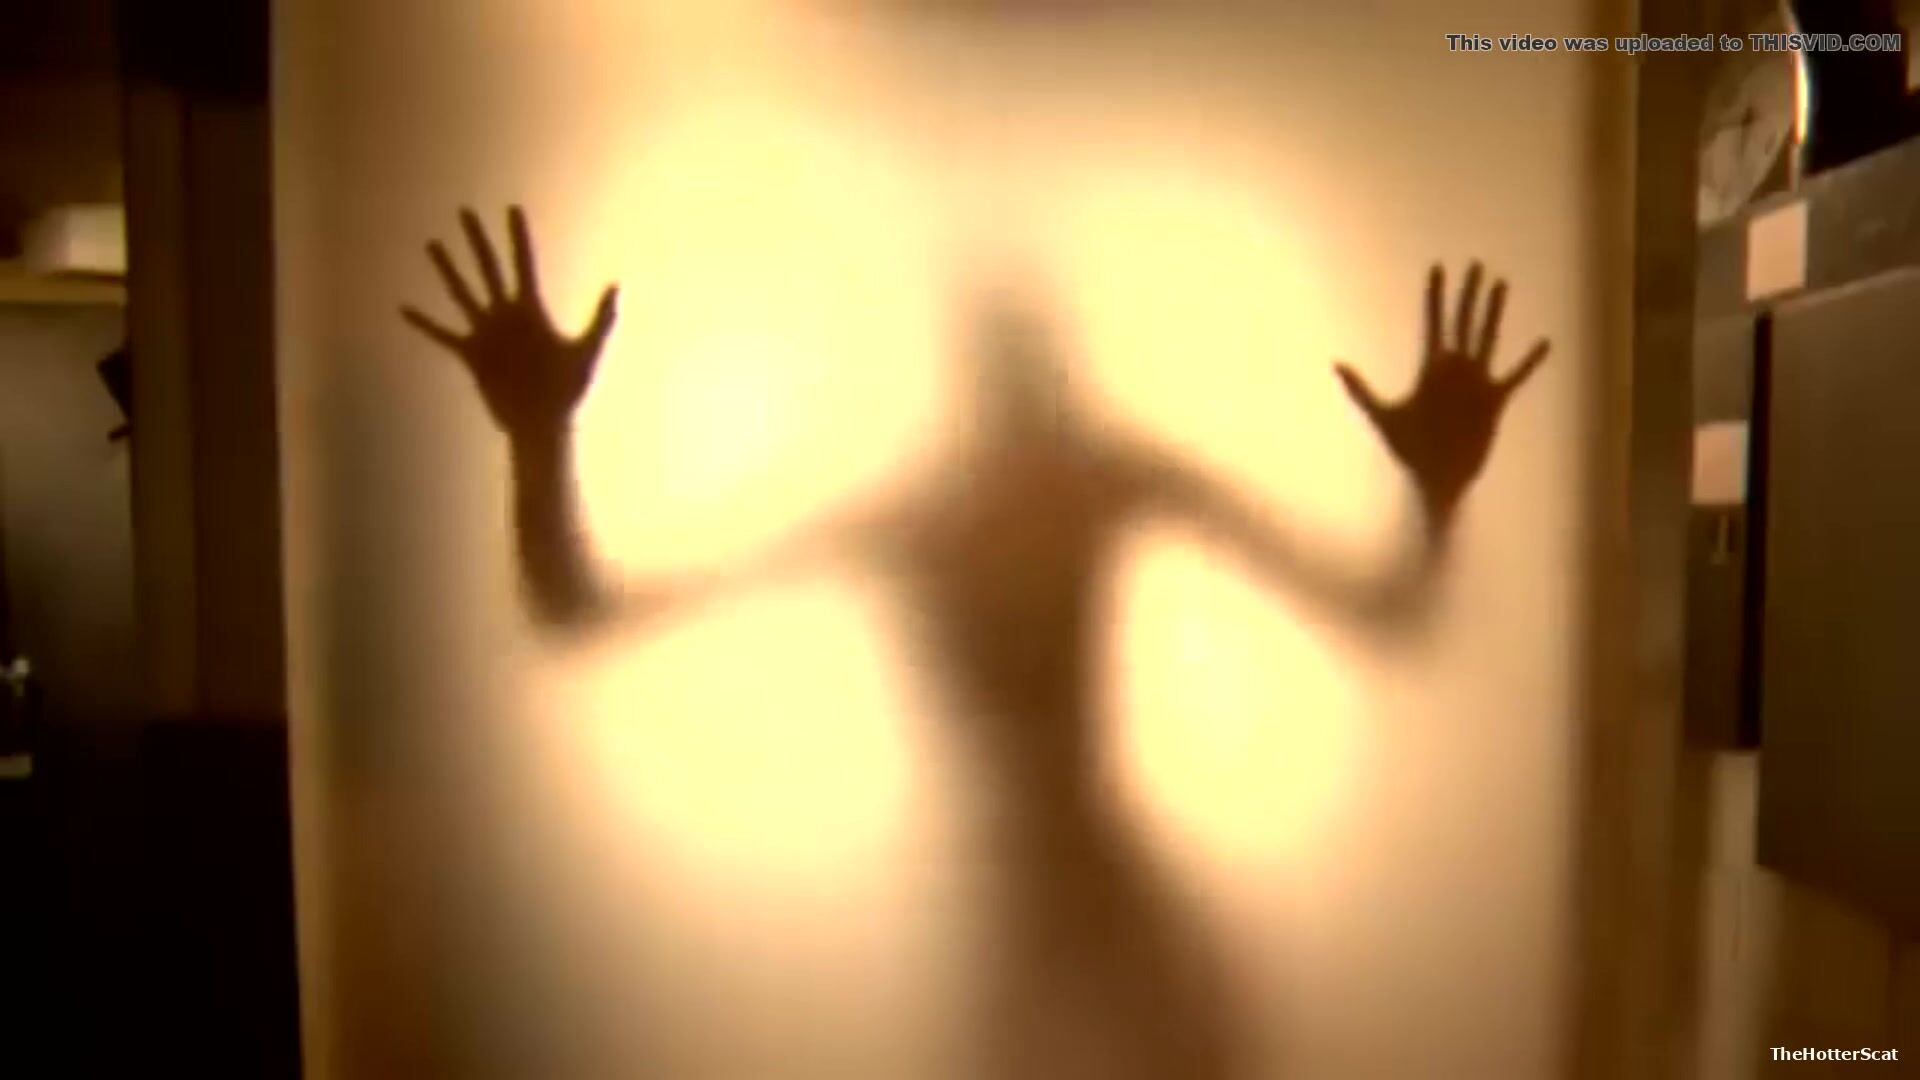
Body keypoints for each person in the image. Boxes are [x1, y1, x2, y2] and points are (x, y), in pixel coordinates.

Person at [402, 205, 1548, 1079]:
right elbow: (581, 610)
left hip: (1113, 919)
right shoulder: (928, 514)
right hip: (1020, 930)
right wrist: (539, 438)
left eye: (1029, 361)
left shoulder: (1096, 480)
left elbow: (1387, 612)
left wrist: (1437, 492)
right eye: (998, 364)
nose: (1017, 400)